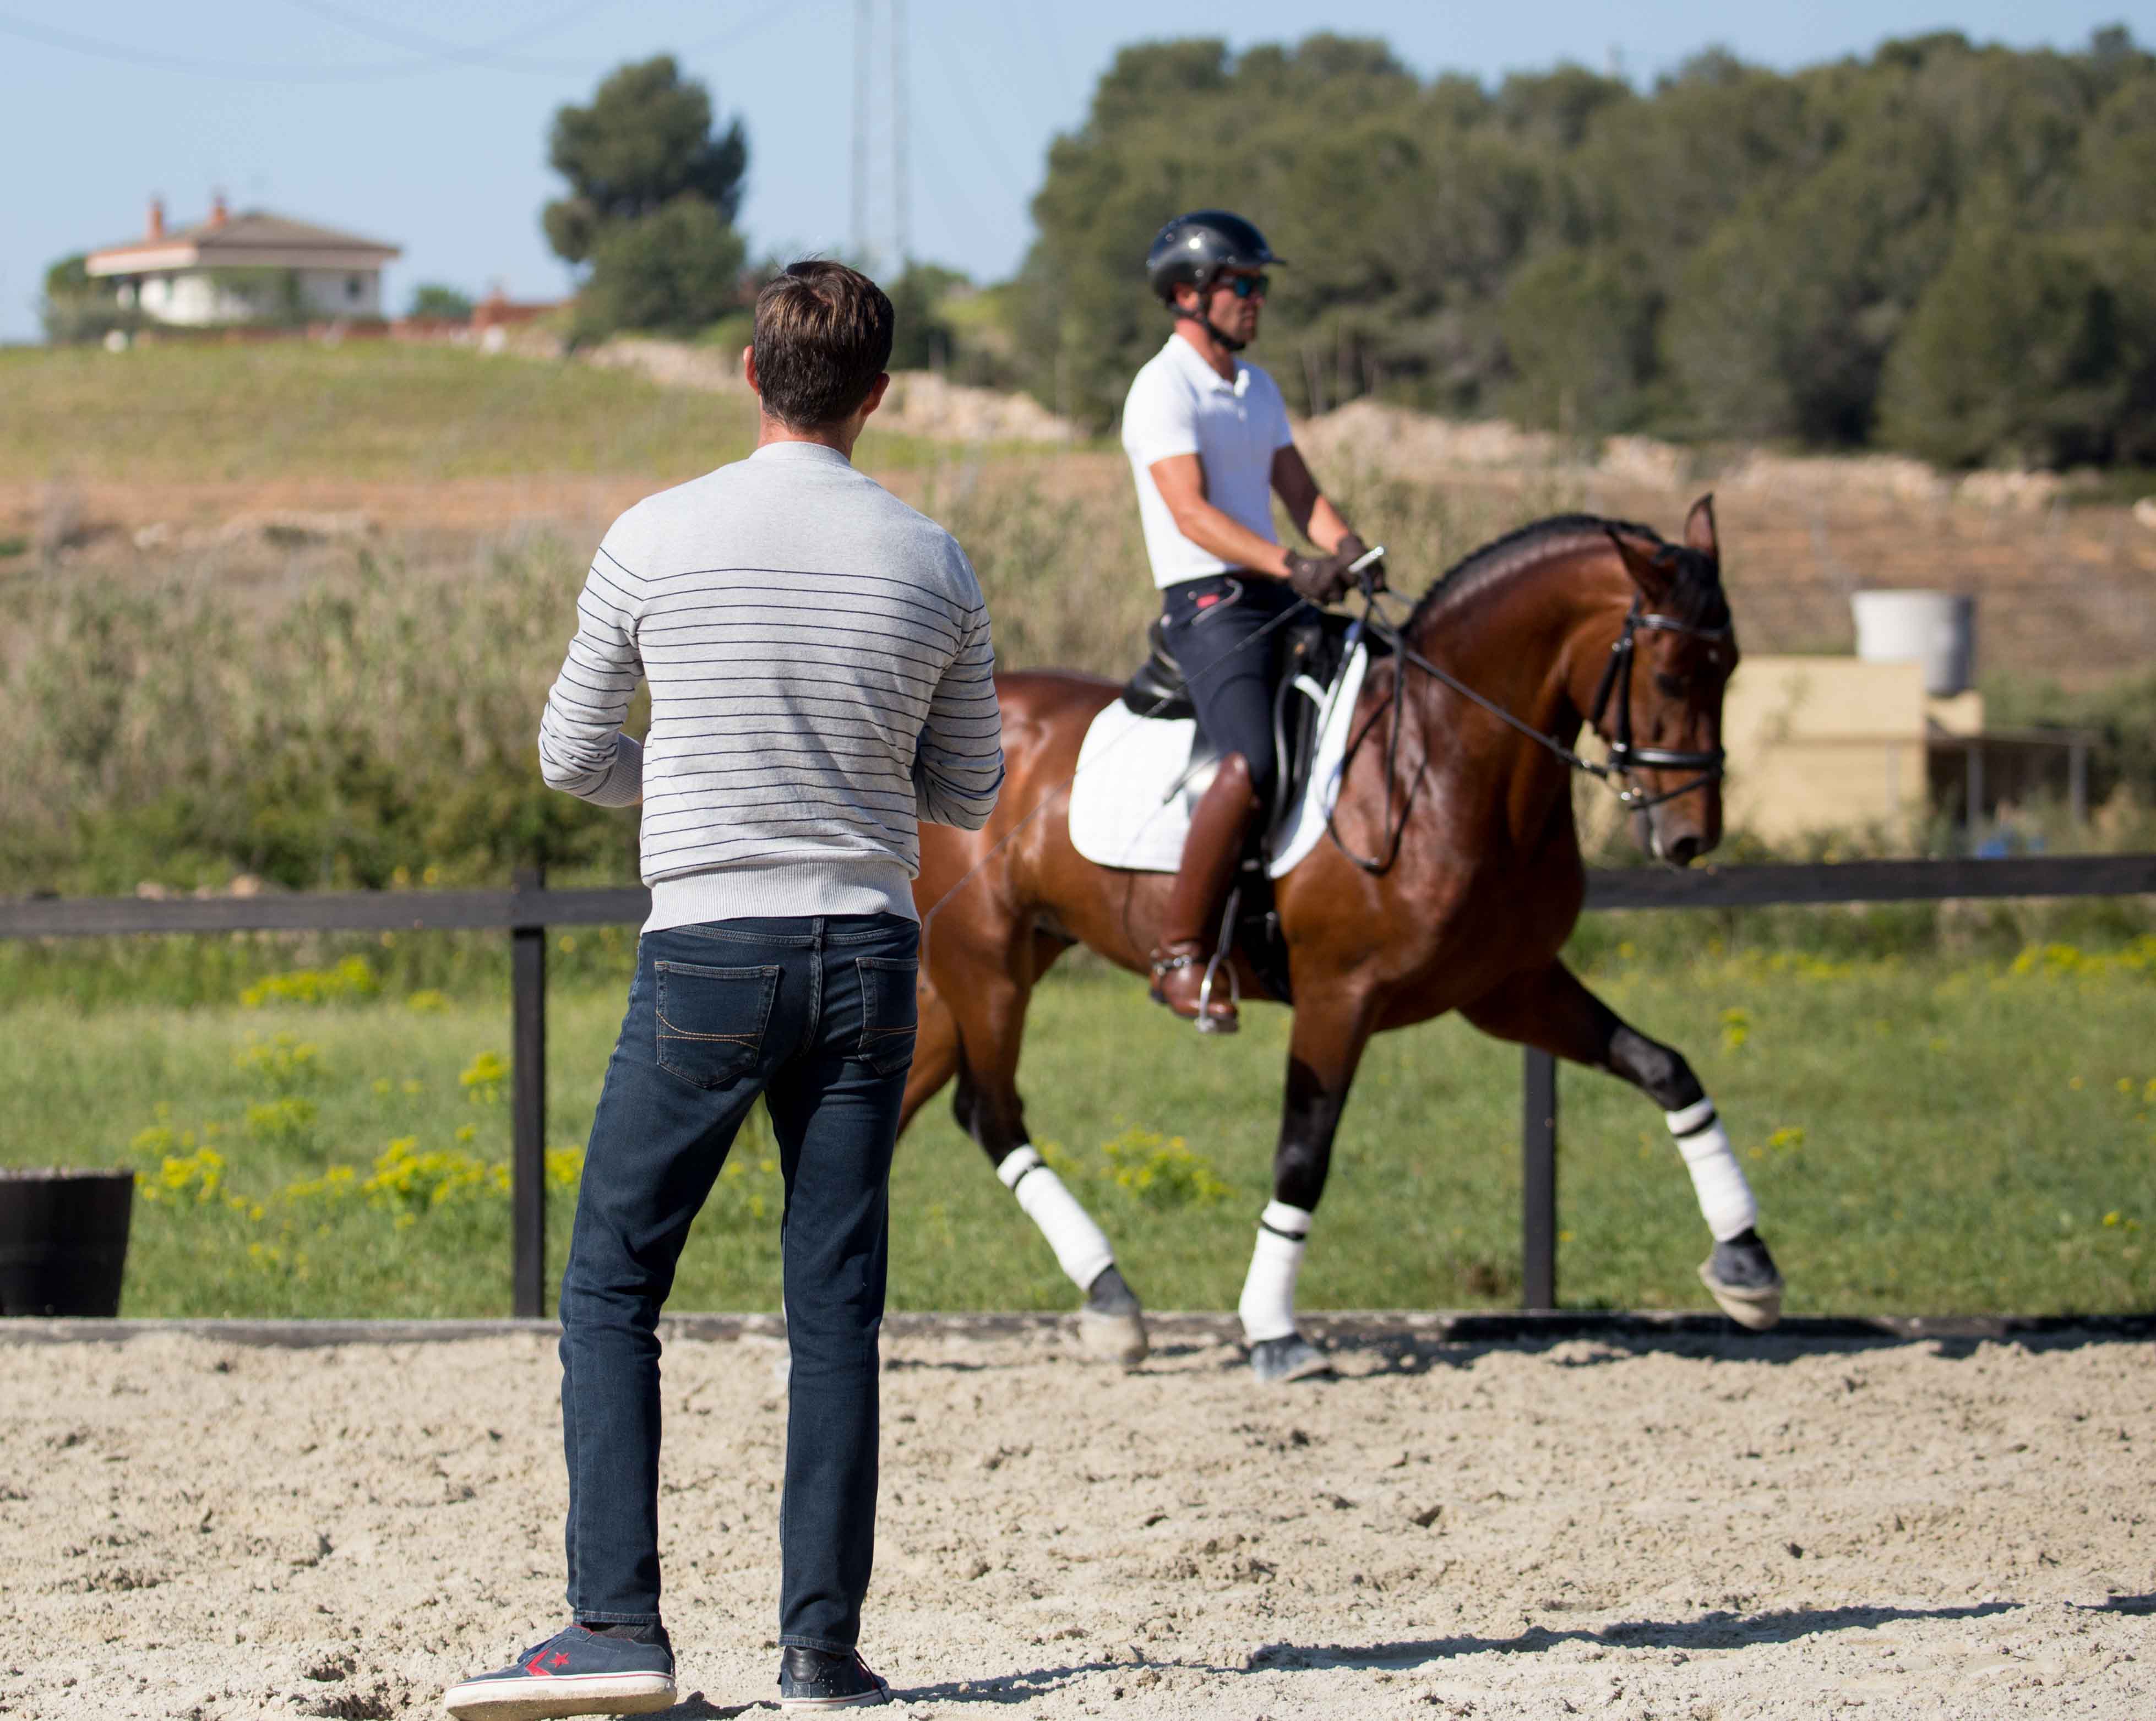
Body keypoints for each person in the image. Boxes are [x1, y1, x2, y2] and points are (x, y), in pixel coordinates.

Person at [445, 260, 1003, 1719]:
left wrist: (683, 792)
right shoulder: (933, 559)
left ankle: (615, 1617)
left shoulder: (653, 534)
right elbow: (968, 784)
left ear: (750, 374)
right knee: (834, 1306)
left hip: (705, 947)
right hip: (874, 953)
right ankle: (821, 1650)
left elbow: (571, 750)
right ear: (876, 398)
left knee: (613, 1281)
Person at [1120, 210, 1381, 1033]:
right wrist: (1292, 564)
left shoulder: (1256, 389)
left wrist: (1349, 551)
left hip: (1276, 594)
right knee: (1250, 760)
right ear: (1189, 293)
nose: (1258, 298)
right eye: (1246, 283)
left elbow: (1301, 495)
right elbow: (1191, 514)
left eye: (1261, 285)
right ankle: (1180, 954)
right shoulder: (1161, 388)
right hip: (1209, 604)